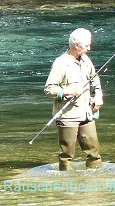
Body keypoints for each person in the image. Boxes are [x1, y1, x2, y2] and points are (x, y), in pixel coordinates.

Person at [44, 28, 104, 171]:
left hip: (86, 113)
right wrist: (66, 91)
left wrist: (98, 94)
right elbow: (48, 89)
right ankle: (67, 187)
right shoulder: (61, 63)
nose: (89, 49)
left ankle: (94, 182)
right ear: (77, 45)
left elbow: (94, 78)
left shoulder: (85, 60)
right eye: (87, 45)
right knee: (66, 155)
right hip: (67, 116)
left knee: (94, 153)